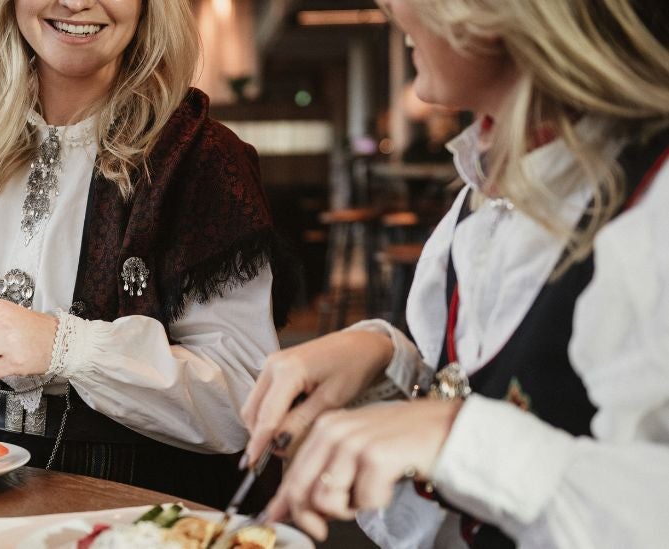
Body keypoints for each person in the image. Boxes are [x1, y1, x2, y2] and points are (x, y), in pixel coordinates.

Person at [241, 0, 669, 546]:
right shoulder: (479, 195)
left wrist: (454, 435)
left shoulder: (654, 207)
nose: (389, 7)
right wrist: (392, 363)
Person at [0, 0, 296, 508]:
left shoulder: (201, 161)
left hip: (141, 506)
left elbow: (244, 400)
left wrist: (68, 348)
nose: (75, 2)